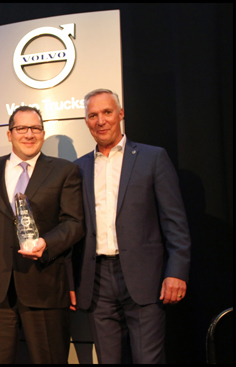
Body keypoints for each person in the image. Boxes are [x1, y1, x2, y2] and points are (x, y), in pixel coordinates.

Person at [72, 89, 191, 363]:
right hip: (96, 280)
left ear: (121, 114)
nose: (101, 120)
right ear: (87, 122)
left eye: (107, 112)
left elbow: (175, 223)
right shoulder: (78, 168)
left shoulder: (153, 157)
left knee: (148, 359)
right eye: (93, 115)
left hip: (145, 279)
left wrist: (177, 272)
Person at [0, 105, 84, 364]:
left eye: (35, 128)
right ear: (9, 134)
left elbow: (74, 223)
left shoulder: (64, 171)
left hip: (45, 284)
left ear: (43, 133)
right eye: (21, 128)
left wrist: (46, 242)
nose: (29, 134)